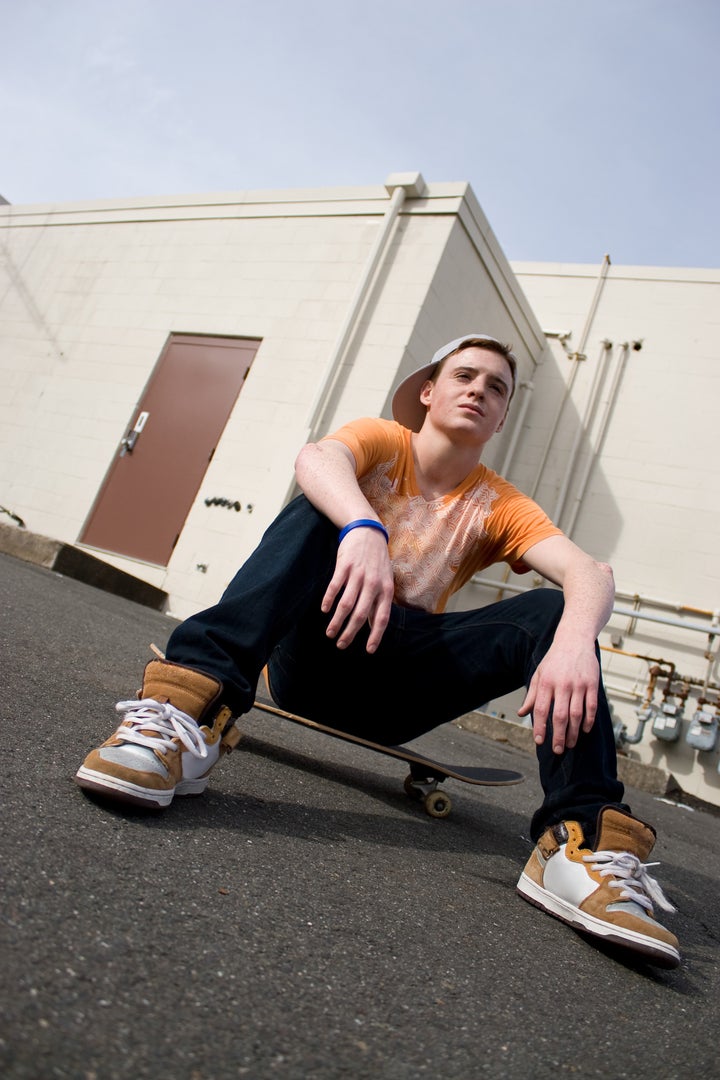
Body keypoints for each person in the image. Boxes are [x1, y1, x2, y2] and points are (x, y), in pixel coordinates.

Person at [75, 333, 680, 969]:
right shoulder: (384, 441)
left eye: (495, 387)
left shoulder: (498, 503)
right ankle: (182, 717)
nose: (478, 390)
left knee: (555, 611)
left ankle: (576, 844)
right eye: (464, 376)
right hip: (315, 655)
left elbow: (592, 573)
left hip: (400, 689)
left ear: (501, 417)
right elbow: (316, 459)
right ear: (428, 392)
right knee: (318, 510)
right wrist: (361, 526)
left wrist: (575, 640)